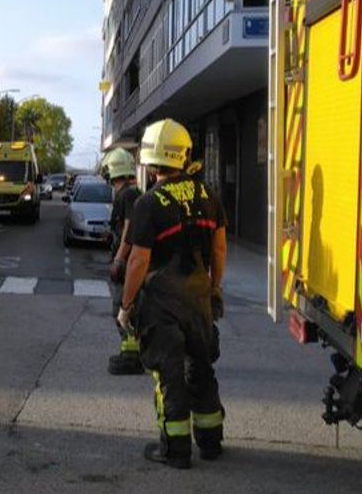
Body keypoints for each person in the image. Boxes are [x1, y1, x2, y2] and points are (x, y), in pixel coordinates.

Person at [118, 118, 228, 470]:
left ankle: (175, 449)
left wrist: (126, 305)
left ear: (150, 163)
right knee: (201, 367)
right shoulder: (208, 196)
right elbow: (220, 250)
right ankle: (210, 441)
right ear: (183, 155)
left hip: (162, 303)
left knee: (170, 376)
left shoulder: (149, 203)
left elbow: (138, 260)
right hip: (197, 298)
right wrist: (213, 289)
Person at [102, 148, 143, 375]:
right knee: (128, 308)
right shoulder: (129, 194)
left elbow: (130, 225)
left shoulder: (127, 195)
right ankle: (132, 351)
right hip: (129, 260)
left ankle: (131, 354)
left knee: (121, 307)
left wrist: (119, 258)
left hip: (127, 262)